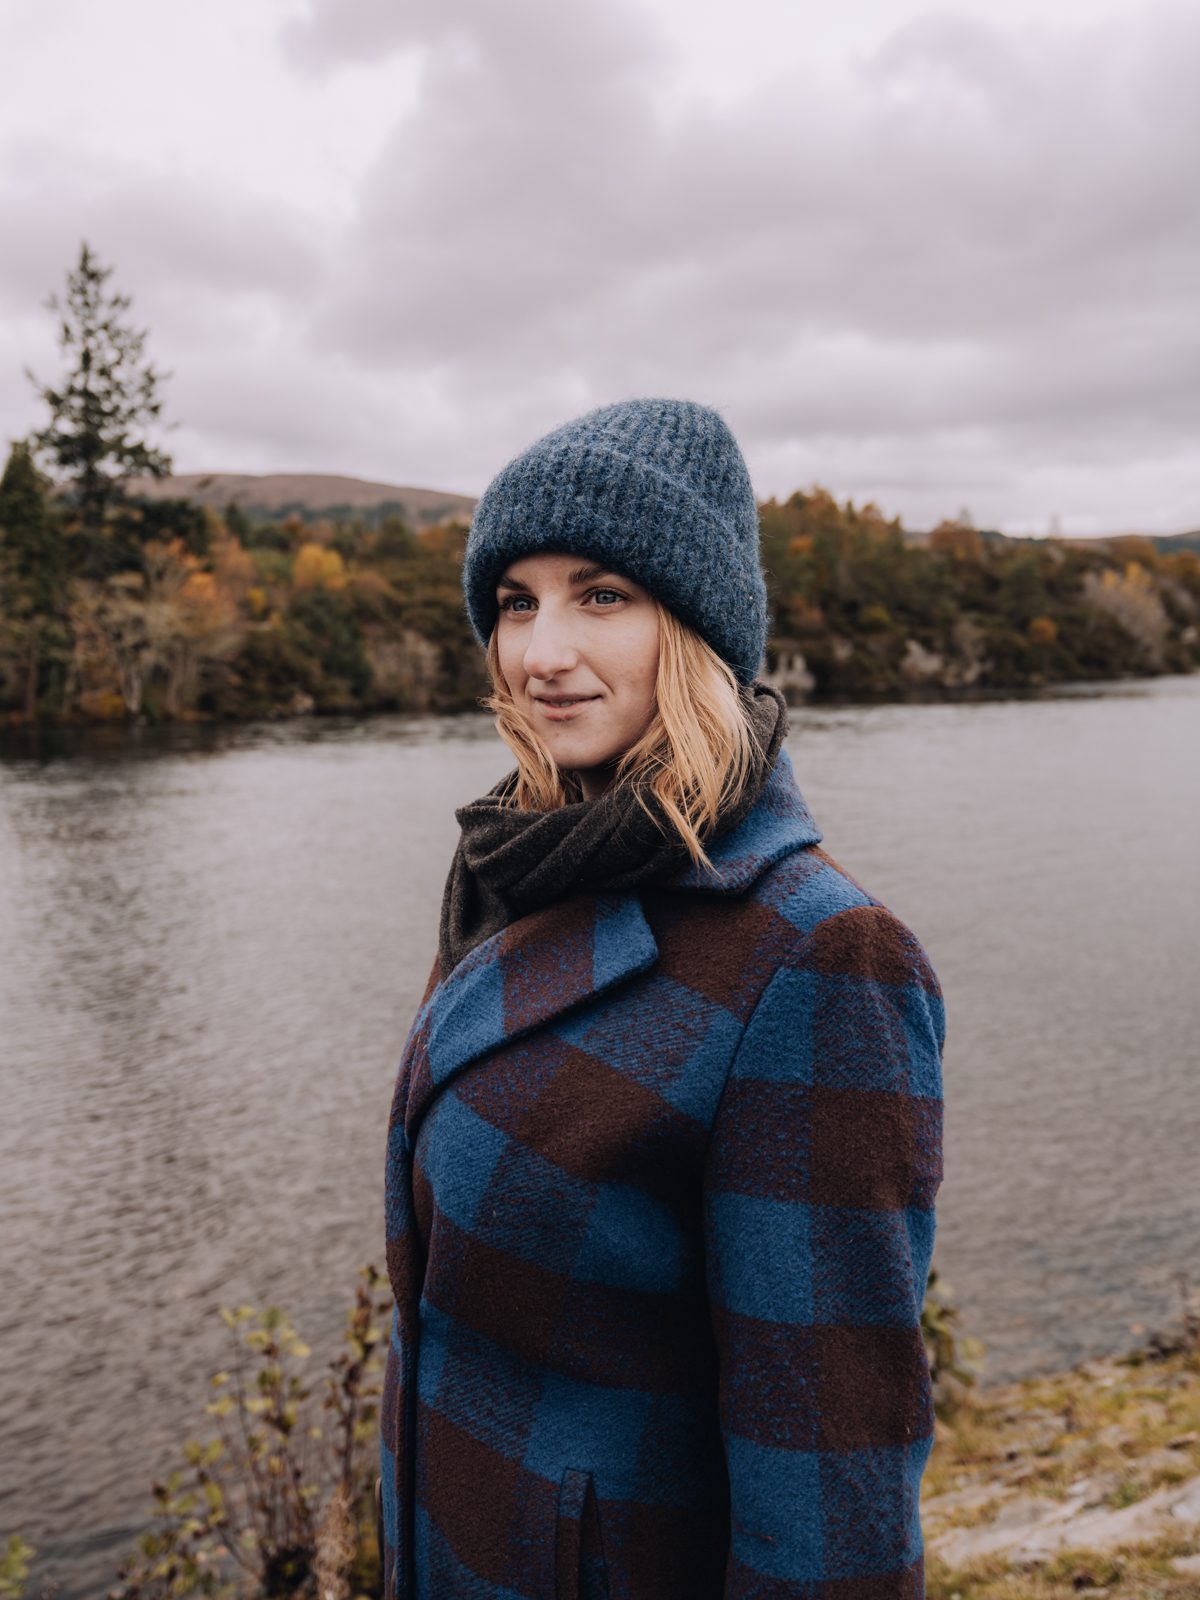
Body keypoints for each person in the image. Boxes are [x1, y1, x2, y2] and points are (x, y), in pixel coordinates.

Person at [377, 397, 946, 1600]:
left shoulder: (818, 959)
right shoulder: (512, 868)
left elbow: (832, 1497)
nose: (542, 653)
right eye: (517, 601)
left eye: (601, 595)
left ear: (693, 626)